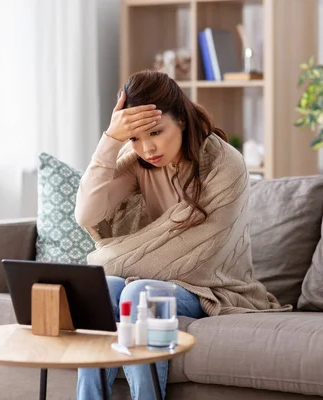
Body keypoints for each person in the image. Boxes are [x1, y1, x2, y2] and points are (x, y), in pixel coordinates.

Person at [74, 70, 290, 400]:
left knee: (140, 295)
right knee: (102, 288)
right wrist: (110, 140)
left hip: (212, 287)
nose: (147, 148)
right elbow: (86, 214)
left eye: (156, 132)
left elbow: (198, 257)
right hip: (147, 276)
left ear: (183, 121)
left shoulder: (225, 163)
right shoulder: (138, 162)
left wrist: (110, 262)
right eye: (135, 138)